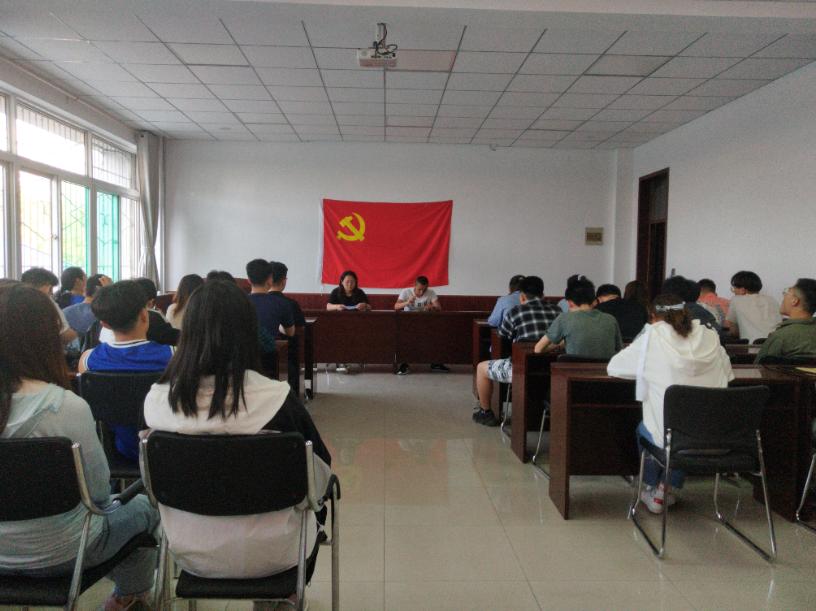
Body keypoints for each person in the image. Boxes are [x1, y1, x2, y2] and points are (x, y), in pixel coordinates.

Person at [143, 280, 332, 590]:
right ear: (247, 332)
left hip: (188, 551)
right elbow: (319, 478)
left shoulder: (157, 400)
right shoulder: (275, 399)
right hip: (277, 552)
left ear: (187, 330)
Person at [0, 283, 159, 611]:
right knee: (144, 507)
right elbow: (98, 495)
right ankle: (126, 599)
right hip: (66, 550)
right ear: (44, 338)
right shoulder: (63, 406)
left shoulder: (84, 373)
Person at [607, 294, 734, 513]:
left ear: (652, 315)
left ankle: (652, 487)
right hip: (716, 435)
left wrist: (648, 369)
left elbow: (615, 367)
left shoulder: (652, 336)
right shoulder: (709, 334)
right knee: (686, 427)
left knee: (649, 429)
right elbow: (728, 374)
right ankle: (665, 488)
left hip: (674, 437)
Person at [78, 280, 174, 464]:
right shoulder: (174, 356)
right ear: (145, 315)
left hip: (115, 451)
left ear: (104, 324)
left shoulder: (87, 361)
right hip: (164, 448)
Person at [473, 276, 561, 427]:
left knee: (481, 368)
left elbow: (502, 336)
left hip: (522, 369)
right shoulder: (557, 310)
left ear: (522, 297)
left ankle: (485, 412)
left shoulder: (516, 312)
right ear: (543, 294)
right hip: (552, 370)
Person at [534, 275, 622, 358]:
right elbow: (620, 351)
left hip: (572, 368)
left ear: (570, 303)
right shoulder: (611, 319)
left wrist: (559, 345)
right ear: (594, 301)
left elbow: (538, 349)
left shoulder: (564, 319)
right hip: (605, 369)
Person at [247, 259, 295, 376]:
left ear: (249, 280)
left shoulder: (239, 301)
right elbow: (290, 332)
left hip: (243, 360)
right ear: (270, 280)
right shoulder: (281, 303)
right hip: (268, 361)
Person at [394, 276, 448, 374]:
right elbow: (396, 307)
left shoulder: (431, 292)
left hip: (426, 321)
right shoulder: (406, 292)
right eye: (419, 289)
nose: (422, 292)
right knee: (404, 337)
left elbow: (439, 308)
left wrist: (431, 307)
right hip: (408, 322)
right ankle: (404, 364)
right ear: (414, 286)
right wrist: (407, 302)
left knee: (438, 333)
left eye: (424, 289)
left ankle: (435, 363)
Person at [755, 278, 816, 364]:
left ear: (794, 301)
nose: (783, 296)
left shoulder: (780, 336)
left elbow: (758, 367)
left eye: (786, 292)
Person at [269, 261, 306, 393]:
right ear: (284, 281)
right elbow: (300, 329)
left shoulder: (251, 302)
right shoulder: (290, 304)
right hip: (287, 357)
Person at [20, 267, 77, 345]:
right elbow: (65, 334)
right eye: (50, 288)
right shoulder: (46, 302)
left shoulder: (13, 305)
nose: (52, 293)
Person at [727, 270, 782, 342]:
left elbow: (734, 331)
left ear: (742, 290)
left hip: (753, 346)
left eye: (734, 289)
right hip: (776, 344)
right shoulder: (772, 300)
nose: (734, 291)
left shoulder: (736, 300)